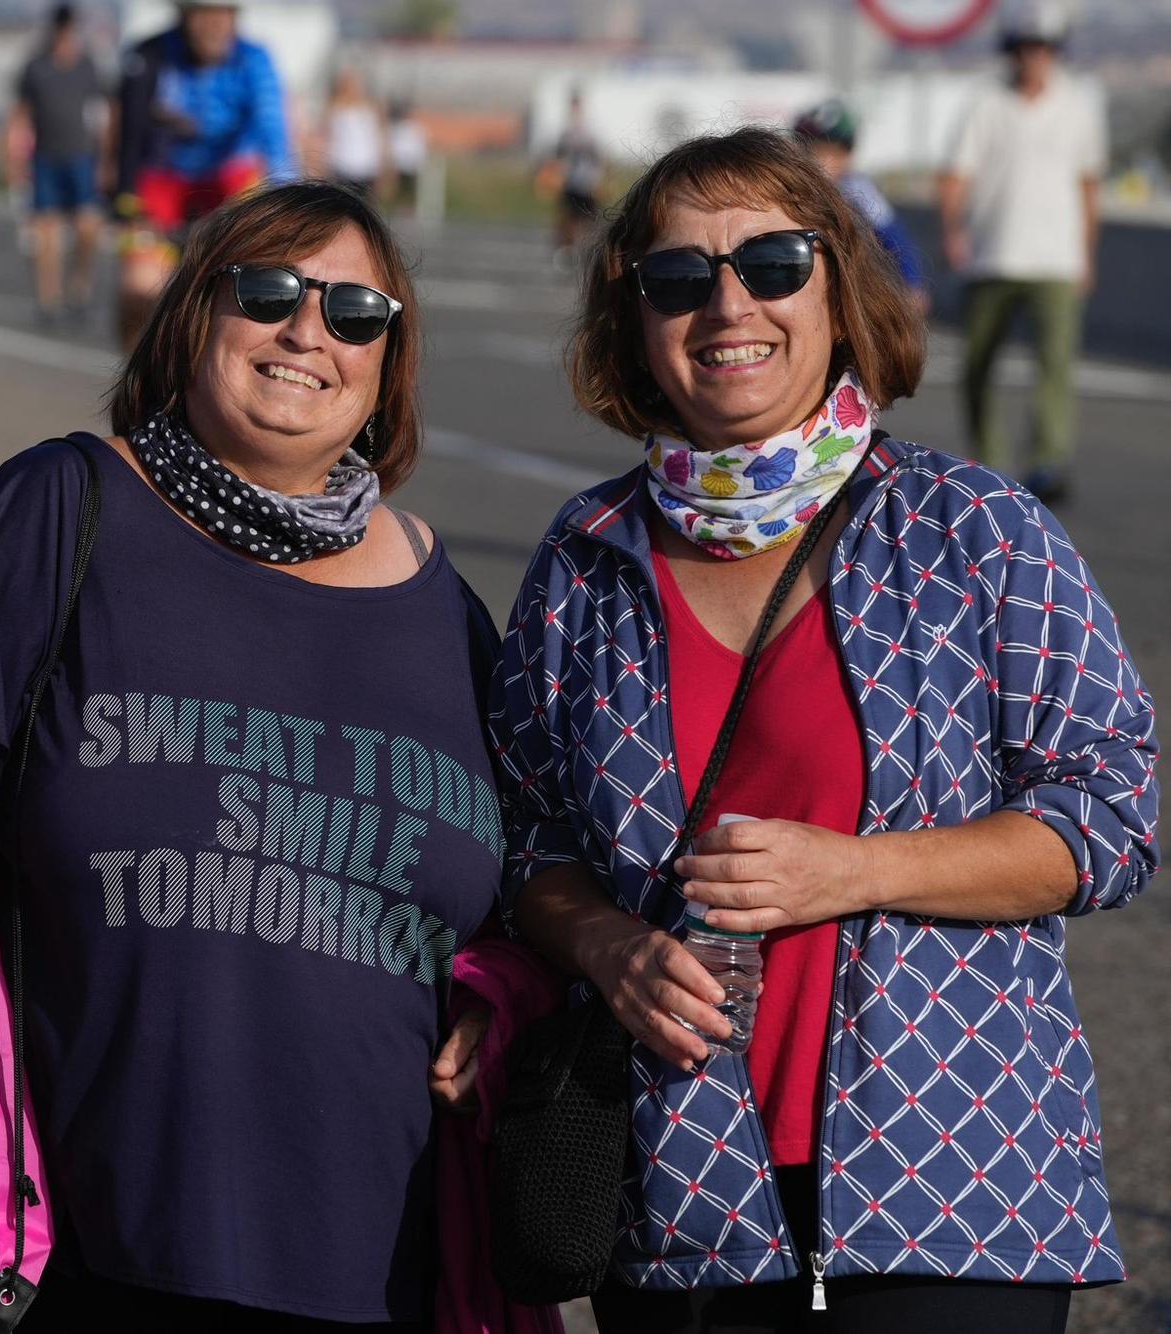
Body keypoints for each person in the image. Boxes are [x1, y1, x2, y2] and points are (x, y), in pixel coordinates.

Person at [493, 126, 1156, 1332]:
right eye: (679, 277)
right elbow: (525, 835)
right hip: (678, 1203)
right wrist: (603, 944)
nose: (727, 303)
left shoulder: (975, 527)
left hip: (952, 1197)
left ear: (837, 286)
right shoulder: (584, 558)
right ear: (634, 319)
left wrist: (854, 868)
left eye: (773, 261)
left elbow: (1109, 816)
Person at [0, 180, 549, 1331]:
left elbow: (507, 895)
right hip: (84, 1240)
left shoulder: (449, 611)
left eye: (354, 311)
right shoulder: (65, 508)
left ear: (388, 363)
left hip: (376, 1261)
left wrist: (501, 990)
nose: (307, 331)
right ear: (194, 314)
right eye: (269, 291)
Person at [940, 0, 1106, 504]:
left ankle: (1046, 462)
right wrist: (954, 230)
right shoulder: (986, 105)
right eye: (1026, 48)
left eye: (1044, 48)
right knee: (978, 363)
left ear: (1055, 53)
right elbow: (956, 176)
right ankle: (987, 460)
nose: (1035, 58)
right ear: (1012, 52)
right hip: (994, 256)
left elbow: (1088, 185)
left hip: (1056, 260)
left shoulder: (1078, 106)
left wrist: (1087, 253)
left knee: (1055, 364)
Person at [109, 0, 297, 346]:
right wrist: (124, 199)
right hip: (161, 185)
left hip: (231, 184)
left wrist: (289, 207)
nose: (214, 24)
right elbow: (126, 135)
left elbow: (275, 138)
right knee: (137, 288)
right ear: (182, 15)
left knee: (244, 301)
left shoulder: (255, 60)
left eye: (223, 13)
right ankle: (136, 383)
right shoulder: (148, 55)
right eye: (203, 13)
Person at [11, 3, 107, 322]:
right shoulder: (35, 68)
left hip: (81, 157)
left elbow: (104, 115)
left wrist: (107, 158)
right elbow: (21, 115)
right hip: (46, 157)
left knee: (86, 228)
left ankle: (79, 289)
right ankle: (48, 300)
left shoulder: (87, 67)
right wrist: (14, 156)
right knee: (46, 231)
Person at [793, 97, 928, 313]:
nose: (820, 161)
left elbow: (894, 235)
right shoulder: (790, 189)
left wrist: (912, 283)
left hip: (846, 286)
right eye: (813, 150)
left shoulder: (857, 189)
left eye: (832, 153)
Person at [541, 89, 603, 255]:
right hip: (571, 182)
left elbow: (598, 158)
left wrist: (598, 181)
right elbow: (557, 158)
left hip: (587, 183)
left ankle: (588, 251)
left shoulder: (590, 131)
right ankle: (565, 250)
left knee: (589, 219)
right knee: (567, 219)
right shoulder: (565, 133)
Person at [321, 66, 385, 200]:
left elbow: (379, 139)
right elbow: (326, 138)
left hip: (366, 168)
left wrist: (384, 169)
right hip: (341, 167)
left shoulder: (371, 108)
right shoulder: (334, 108)